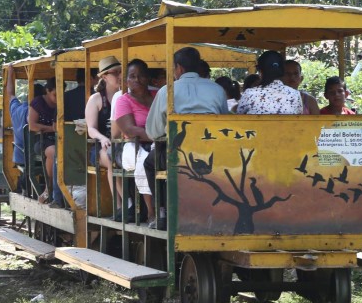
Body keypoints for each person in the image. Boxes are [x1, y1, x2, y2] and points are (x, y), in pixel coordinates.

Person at [145, 47, 228, 229]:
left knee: (149, 164)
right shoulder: (217, 90)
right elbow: (225, 123)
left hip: (175, 155)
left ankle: (162, 213)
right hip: (211, 155)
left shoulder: (166, 91)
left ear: (179, 68)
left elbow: (153, 131)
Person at [114, 59, 155, 225]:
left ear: (148, 78)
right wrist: (156, 135)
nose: (137, 80)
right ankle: (152, 211)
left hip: (158, 142)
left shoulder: (158, 95)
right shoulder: (123, 100)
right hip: (133, 144)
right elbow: (130, 130)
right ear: (126, 80)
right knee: (143, 163)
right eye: (133, 76)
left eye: (141, 76)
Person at [85, 56, 123, 209]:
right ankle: (120, 205)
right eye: (116, 73)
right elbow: (91, 129)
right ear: (105, 76)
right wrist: (102, 138)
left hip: (123, 143)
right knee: (110, 159)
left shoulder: (127, 96)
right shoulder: (96, 99)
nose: (120, 76)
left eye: (121, 72)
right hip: (101, 147)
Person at [236, 51, 303, 114]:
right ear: (282, 70)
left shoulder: (249, 94)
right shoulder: (295, 95)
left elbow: (238, 117)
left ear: (260, 71)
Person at [29, 77, 57, 204]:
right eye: (55, 94)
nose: (58, 98)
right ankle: (48, 187)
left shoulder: (63, 102)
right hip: (41, 140)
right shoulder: (38, 103)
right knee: (53, 151)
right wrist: (51, 128)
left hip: (59, 139)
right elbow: (32, 125)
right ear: (47, 91)